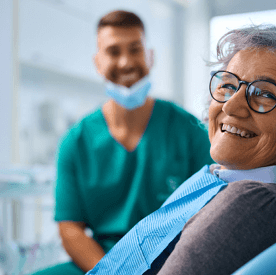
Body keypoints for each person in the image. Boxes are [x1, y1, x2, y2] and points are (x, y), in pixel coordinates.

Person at [87, 24, 276, 275]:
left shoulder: (254, 202)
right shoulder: (231, 184)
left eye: (264, 93)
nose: (230, 106)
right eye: (228, 85)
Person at [31, 10, 213, 275]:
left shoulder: (188, 130)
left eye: (135, 49)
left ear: (150, 56)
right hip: (102, 261)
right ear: (97, 62)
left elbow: (213, 209)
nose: (126, 62)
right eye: (113, 52)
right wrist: (110, 271)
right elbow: (70, 228)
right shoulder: (76, 142)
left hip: (174, 259)